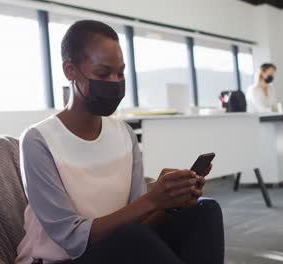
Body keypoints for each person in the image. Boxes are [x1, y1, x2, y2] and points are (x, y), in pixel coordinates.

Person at [15, 20, 224, 264]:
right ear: (70, 70)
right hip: (61, 259)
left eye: (120, 73)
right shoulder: (38, 140)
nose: (115, 82)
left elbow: (141, 220)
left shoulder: (125, 134)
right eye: (103, 74)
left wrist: (169, 202)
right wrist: (152, 199)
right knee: (132, 238)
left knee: (204, 210)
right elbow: (71, 239)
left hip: (121, 246)